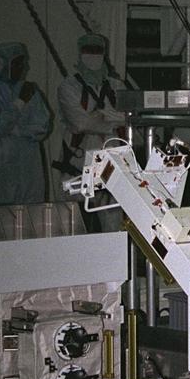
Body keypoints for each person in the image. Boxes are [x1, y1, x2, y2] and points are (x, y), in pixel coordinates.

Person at [56, 33, 125, 231]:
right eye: (89, 50)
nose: (93, 55)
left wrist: (99, 116)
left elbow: (128, 117)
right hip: (78, 160)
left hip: (112, 158)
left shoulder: (116, 86)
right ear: (80, 53)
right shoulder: (69, 86)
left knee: (113, 222)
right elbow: (80, 123)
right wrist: (110, 118)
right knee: (75, 223)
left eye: (97, 51)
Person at [0, 42, 51, 204]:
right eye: (18, 63)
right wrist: (19, 103)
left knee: (32, 213)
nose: (24, 68)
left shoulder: (29, 90)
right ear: (2, 64)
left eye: (23, 63)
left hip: (28, 168)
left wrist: (13, 129)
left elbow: (42, 127)